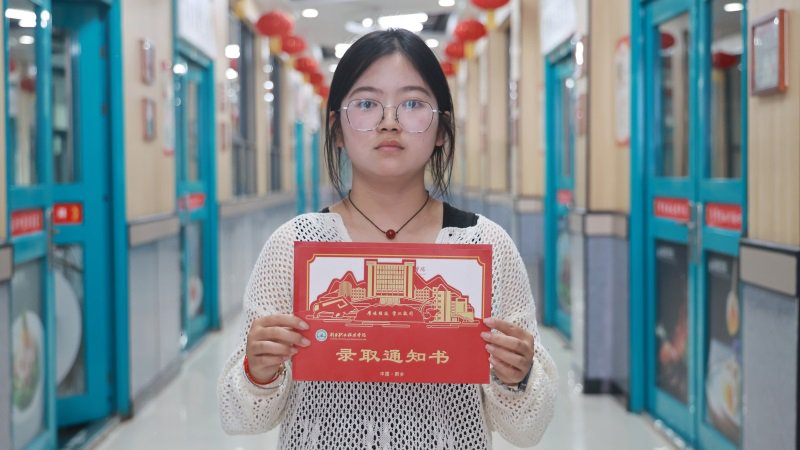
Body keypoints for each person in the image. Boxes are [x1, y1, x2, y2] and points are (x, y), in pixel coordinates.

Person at [217, 28, 558, 449]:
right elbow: (240, 416)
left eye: (412, 103)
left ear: (441, 129)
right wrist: (257, 370)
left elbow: (528, 429)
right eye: (366, 104)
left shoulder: (486, 246)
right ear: (336, 130)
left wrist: (518, 376)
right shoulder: (294, 245)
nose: (389, 121)